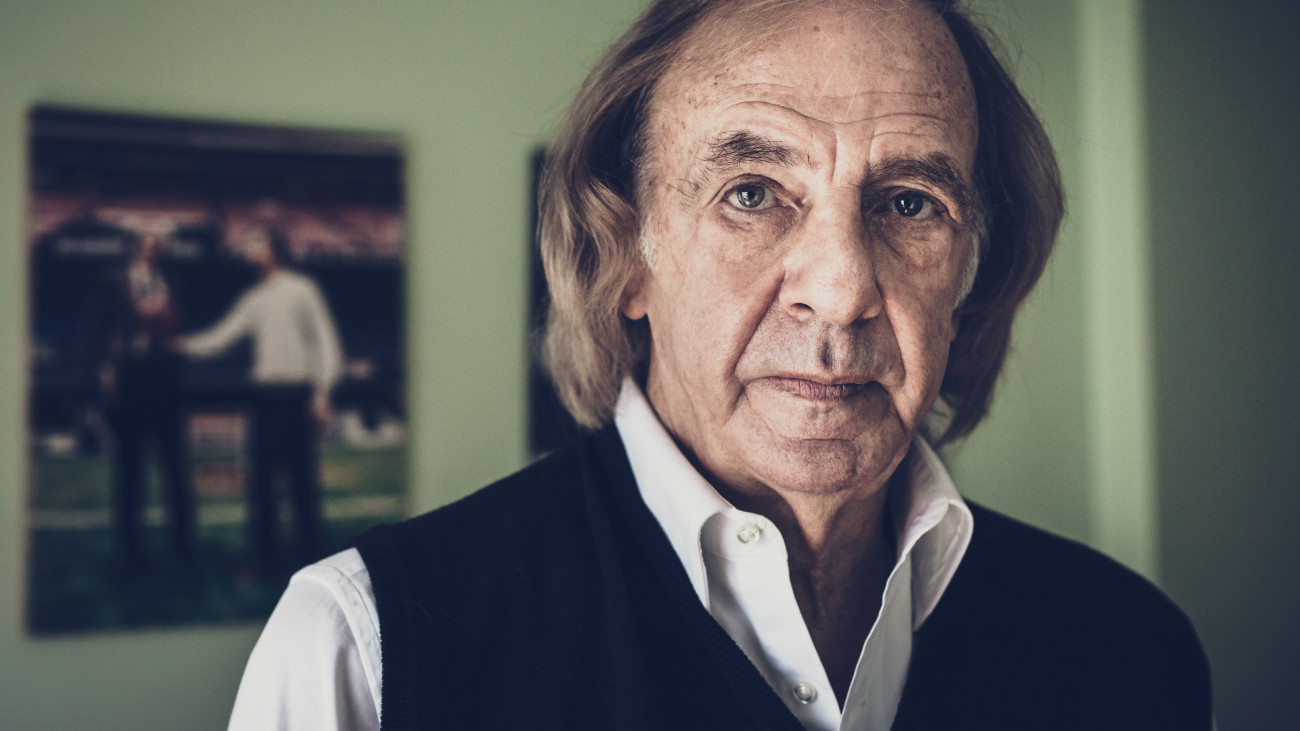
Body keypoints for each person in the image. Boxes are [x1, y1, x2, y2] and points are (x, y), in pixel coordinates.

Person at [229, 1, 1212, 729]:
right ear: (626, 259)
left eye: (910, 202)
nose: (839, 289)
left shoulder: (1131, 651)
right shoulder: (367, 652)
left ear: (971, 272)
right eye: (751, 193)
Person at [183, 227, 343, 580]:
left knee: (301, 484)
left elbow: (326, 343)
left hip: (295, 397)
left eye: (254, 242)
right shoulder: (253, 298)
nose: (247, 247)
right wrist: (177, 345)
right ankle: (265, 560)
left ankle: (312, 560)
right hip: (264, 399)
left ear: (273, 249)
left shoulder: (302, 289)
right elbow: (219, 337)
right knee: (261, 485)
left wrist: (322, 392)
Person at [91, 230, 195, 573]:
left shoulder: (174, 282)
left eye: (158, 242)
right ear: (136, 246)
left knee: (175, 469)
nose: (153, 246)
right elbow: (97, 329)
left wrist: (167, 318)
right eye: (147, 240)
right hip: (130, 380)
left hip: (165, 381)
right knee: (129, 471)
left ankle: (183, 546)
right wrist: (104, 371)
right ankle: (130, 551)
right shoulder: (113, 280)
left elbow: (182, 326)